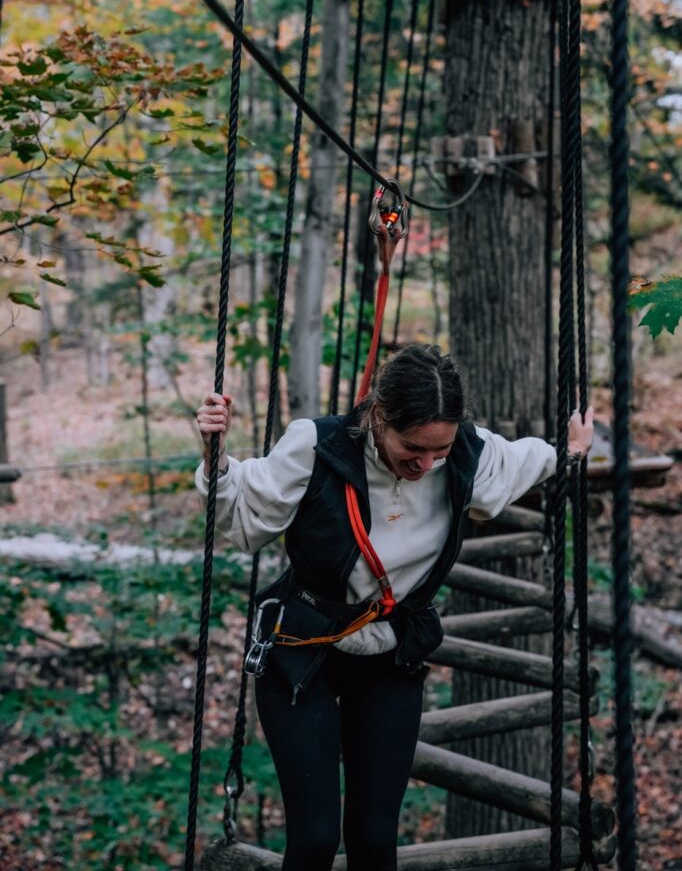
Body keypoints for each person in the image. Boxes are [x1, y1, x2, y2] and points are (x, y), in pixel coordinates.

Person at [195, 343, 594, 871]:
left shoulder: (470, 454)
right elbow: (244, 523)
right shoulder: (316, 446)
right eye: (413, 448)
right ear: (378, 416)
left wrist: (569, 451)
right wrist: (214, 457)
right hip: (301, 652)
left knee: (375, 838)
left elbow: (527, 461)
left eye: (441, 451)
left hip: (390, 654)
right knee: (315, 839)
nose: (426, 465)